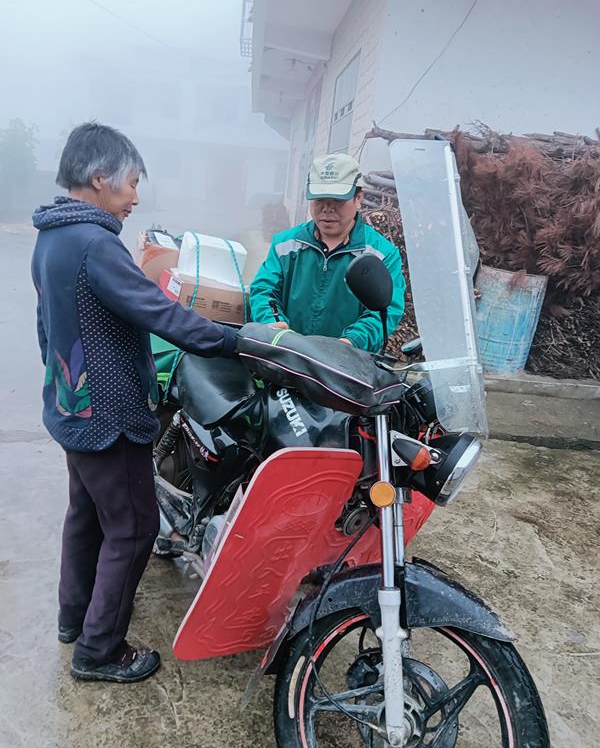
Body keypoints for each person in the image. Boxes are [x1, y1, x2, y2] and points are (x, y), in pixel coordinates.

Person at [31, 123, 237, 683]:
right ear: (99, 179)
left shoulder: (52, 238)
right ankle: (99, 651)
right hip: (110, 416)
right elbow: (158, 311)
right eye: (130, 182)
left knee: (87, 517)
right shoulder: (94, 244)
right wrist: (231, 340)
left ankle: (74, 619)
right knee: (134, 527)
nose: (136, 196)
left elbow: (47, 328)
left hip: (73, 407)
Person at [250, 153, 405, 352]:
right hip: (286, 355)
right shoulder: (286, 245)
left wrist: (351, 342)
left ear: (358, 198)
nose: (326, 209)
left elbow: (387, 310)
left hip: (346, 366)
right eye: (319, 200)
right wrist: (276, 326)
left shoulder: (381, 254)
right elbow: (264, 291)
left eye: (337, 201)